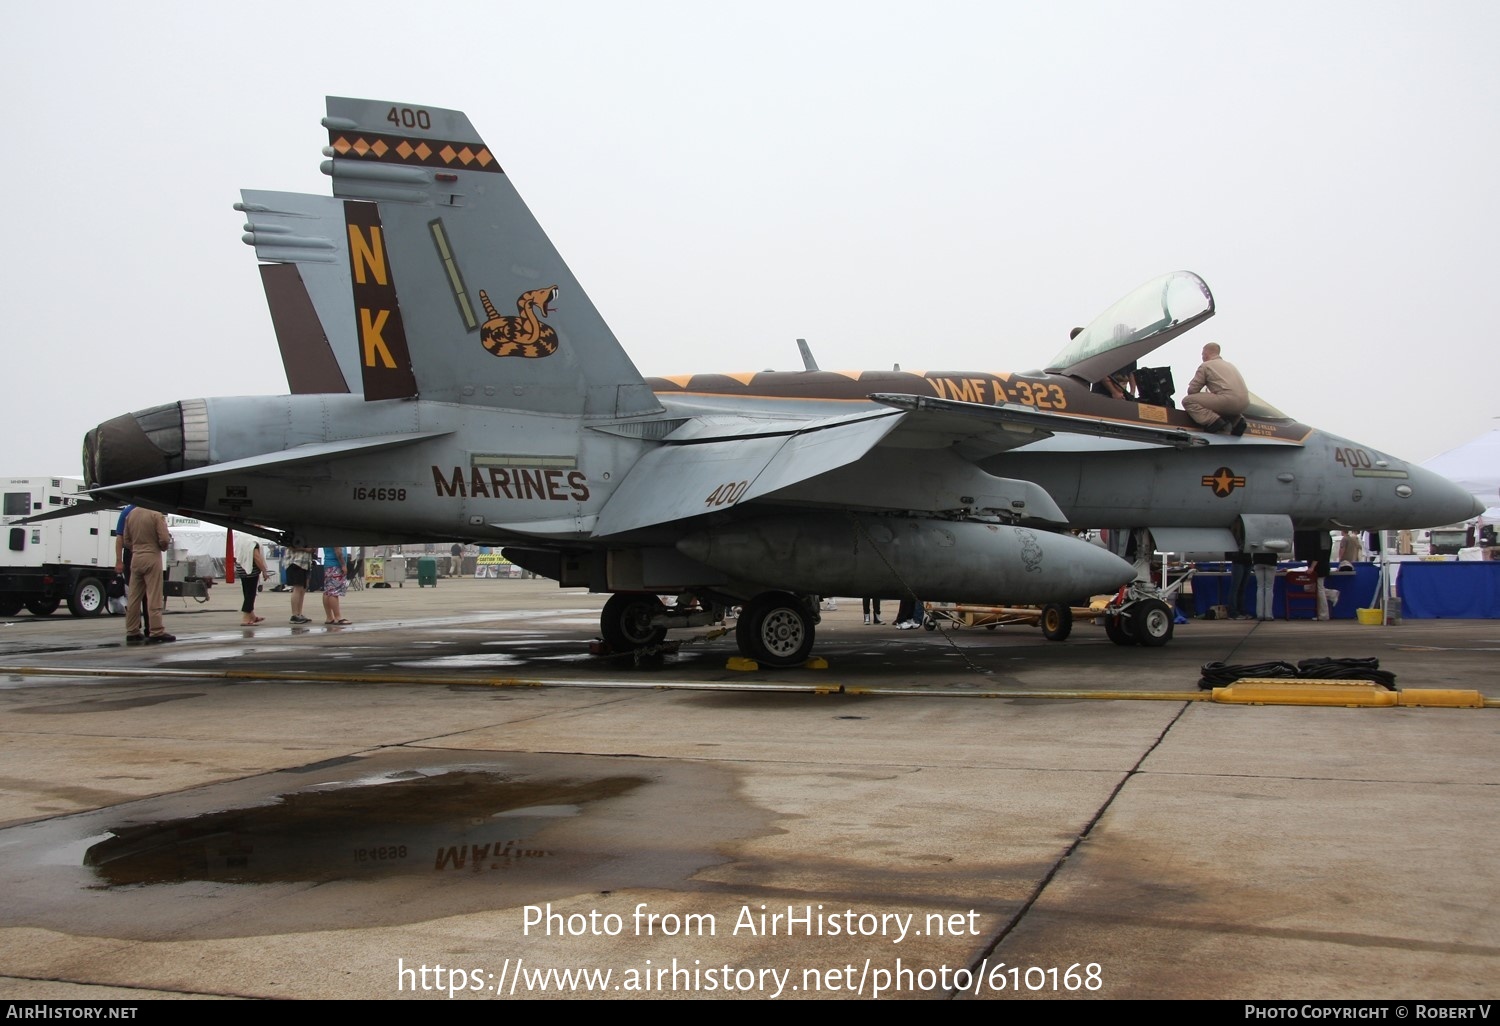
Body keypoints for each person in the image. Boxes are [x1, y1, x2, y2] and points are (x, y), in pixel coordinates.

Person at [123, 506, 174, 645]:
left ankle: (132, 630)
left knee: (134, 596)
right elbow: (164, 539)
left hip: (136, 557)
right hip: (152, 555)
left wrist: (136, 548)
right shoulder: (156, 515)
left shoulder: (131, 515)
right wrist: (162, 546)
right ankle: (156, 630)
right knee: (154, 595)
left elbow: (126, 540)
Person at [1182, 342, 1249, 435]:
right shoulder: (1230, 365)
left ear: (1205, 354)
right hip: (1244, 404)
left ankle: (1213, 421)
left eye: (1202, 354)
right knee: (1222, 402)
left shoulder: (1206, 365)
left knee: (1188, 401)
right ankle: (1237, 421)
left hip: (1228, 401)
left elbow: (1192, 390)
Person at [233, 532, 268, 625]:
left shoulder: (241, 537)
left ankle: (252, 615)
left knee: (246, 592)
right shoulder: (253, 540)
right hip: (250, 570)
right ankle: (246, 618)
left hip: (241, 567)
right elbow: (256, 556)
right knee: (250, 594)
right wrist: (264, 570)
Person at [321, 545, 352, 624]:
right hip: (335, 565)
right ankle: (337, 617)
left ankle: (329, 617)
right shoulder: (335, 536)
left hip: (328, 564)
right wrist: (343, 565)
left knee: (327, 592)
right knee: (334, 592)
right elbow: (338, 551)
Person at [287, 546, 315, 624]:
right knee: (297, 588)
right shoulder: (295, 534)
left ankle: (299, 614)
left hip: (305, 564)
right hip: (295, 563)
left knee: (303, 589)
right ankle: (294, 615)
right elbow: (290, 546)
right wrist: (305, 549)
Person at [1251, 548, 1278, 621]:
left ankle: (1260, 614)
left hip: (1257, 560)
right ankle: (1268, 614)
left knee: (1260, 587)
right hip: (1271, 560)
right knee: (1269, 588)